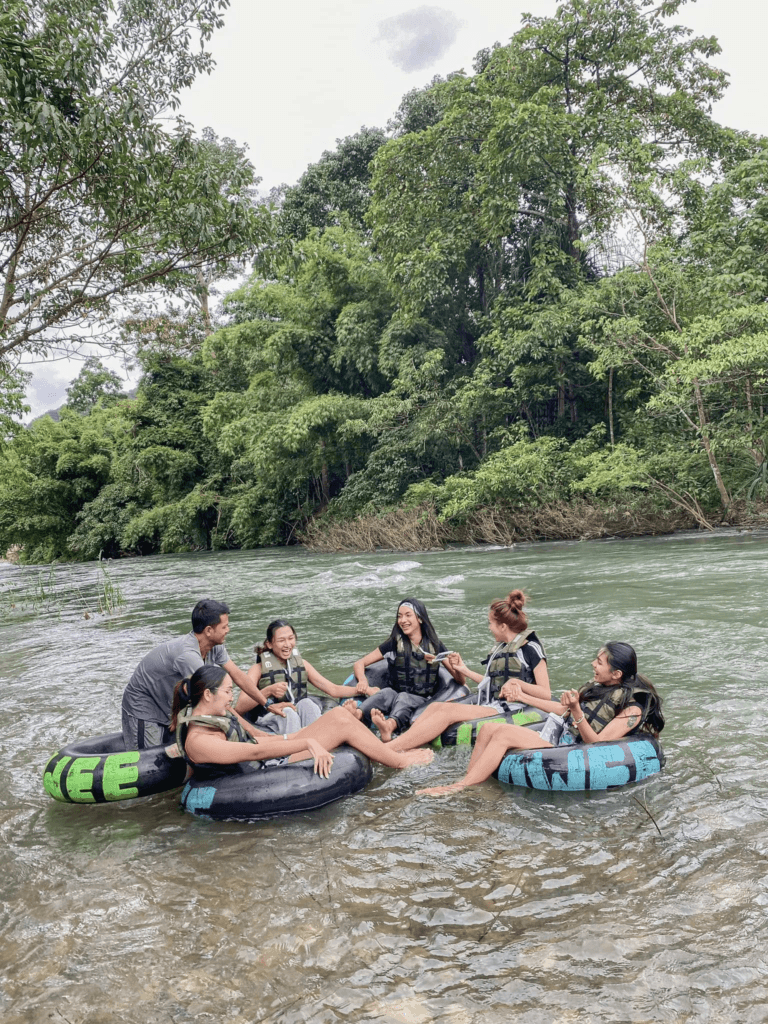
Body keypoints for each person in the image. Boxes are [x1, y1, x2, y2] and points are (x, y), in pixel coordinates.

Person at [414, 641, 664, 797]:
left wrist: (577, 711)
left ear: (616, 673)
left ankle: (459, 788)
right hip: (561, 738)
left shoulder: (633, 710)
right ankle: (471, 782)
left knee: (502, 734)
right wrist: (524, 696)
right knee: (489, 729)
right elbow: (559, 709)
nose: (593, 665)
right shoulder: (601, 688)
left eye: (599, 663)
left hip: (575, 750)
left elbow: (595, 744)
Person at [171, 664, 434, 775]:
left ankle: (386, 749)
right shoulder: (199, 740)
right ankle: (399, 762)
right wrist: (306, 742)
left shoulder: (218, 712)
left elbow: (259, 736)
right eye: (228, 691)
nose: (232, 697)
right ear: (207, 694)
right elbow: (256, 751)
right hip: (268, 771)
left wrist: (295, 736)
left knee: (338, 714)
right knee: (341, 724)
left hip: (270, 752)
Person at [381, 588, 551, 749]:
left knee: (447, 714)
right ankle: (407, 741)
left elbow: (546, 693)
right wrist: (463, 669)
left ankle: (391, 748)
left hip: (513, 708)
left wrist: (516, 684)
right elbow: (490, 683)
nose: (489, 628)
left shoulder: (530, 649)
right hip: (492, 702)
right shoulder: (500, 648)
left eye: (490, 623)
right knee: (435, 707)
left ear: (503, 626)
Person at [121, 599, 271, 749]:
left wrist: (266, 703)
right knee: (147, 757)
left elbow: (237, 674)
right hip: (144, 706)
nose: (228, 630)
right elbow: (214, 699)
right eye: (224, 626)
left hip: (167, 702)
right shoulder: (188, 656)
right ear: (208, 631)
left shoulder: (214, 646)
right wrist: (252, 731)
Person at [348, 598, 455, 742]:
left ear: (420, 619)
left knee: (404, 698)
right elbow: (360, 663)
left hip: (422, 700)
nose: (402, 620)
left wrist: (452, 663)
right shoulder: (394, 643)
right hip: (394, 693)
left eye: (408, 615)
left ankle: (389, 727)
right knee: (385, 693)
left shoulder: (435, 646)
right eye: (399, 616)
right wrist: (363, 681)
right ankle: (357, 715)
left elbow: (459, 679)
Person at [234, 619, 361, 733]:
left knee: (307, 703)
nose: (287, 644)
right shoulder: (257, 669)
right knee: (288, 713)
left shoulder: (302, 664)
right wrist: (268, 691)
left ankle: (323, 740)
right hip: (268, 719)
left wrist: (363, 690)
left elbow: (333, 689)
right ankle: (294, 752)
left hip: (296, 715)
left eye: (291, 638)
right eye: (281, 640)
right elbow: (240, 707)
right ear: (269, 644)